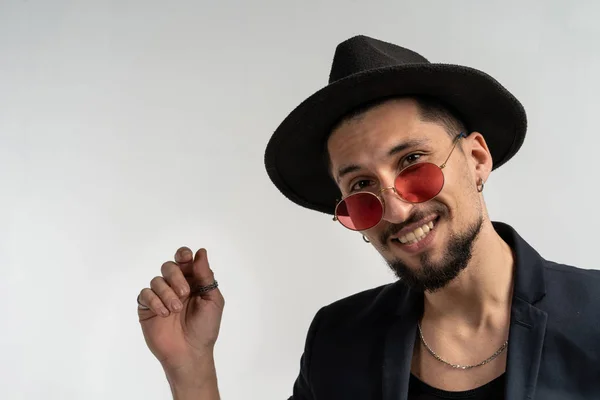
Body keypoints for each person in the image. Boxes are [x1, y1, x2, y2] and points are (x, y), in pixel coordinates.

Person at [136, 35, 600, 399]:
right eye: (361, 187)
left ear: (477, 157)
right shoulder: (338, 340)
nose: (396, 208)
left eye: (413, 161)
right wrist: (191, 370)